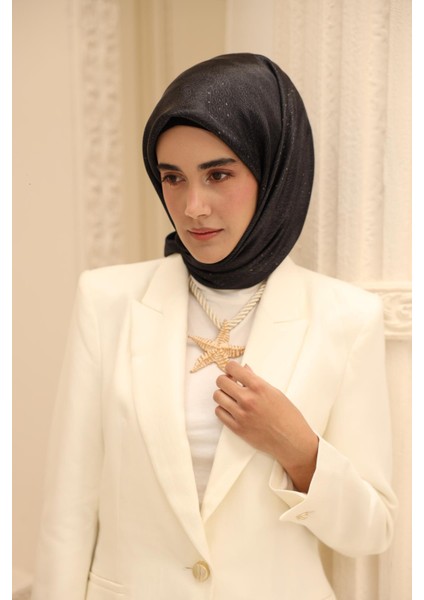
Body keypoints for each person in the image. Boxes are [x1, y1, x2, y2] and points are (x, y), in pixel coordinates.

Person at [31, 53, 397, 600]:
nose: (192, 207)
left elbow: (371, 532)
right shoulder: (106, 301)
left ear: (273, 171)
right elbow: (68, 511)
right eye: (172, 178)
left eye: (218, 174)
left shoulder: (346, 318)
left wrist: (298, 448)